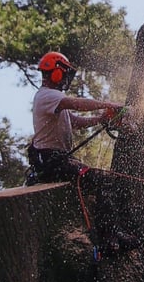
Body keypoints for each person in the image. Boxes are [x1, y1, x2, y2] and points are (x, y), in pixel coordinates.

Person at [27, 51, 123, 184]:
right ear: (56, 73)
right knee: (100, 180)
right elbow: (77, 103)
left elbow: (75, 122)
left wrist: (100, 119)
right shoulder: (47, 95)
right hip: (51, 160)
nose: (66, 79)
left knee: (96, 179)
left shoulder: (53, 99)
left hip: (59, 160)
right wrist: (109, 105)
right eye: (65, 74)